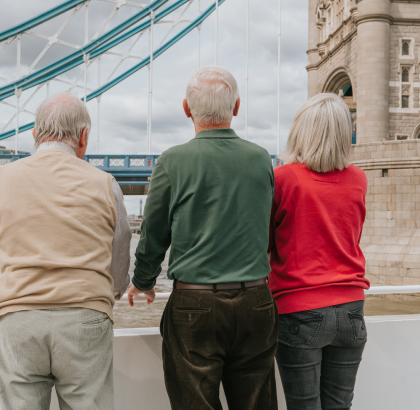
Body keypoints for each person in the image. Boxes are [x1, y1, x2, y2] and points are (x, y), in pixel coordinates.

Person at [128, 66, 278, 410]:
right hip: (257, 298)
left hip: (194, 306)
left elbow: (153, 234)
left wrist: (144, 281)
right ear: (236, 107)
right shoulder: (261, 160)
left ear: (186, 108)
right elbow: (265, 227)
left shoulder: (171, 162)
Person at [0, 93, 132, 410]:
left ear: (34, 133)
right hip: (85, 317)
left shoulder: (3, 179)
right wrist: (109, 292)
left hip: (17, 318)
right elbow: (120, 252)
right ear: (83, 137)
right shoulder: (106, 183)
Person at [268, 93, 370, 410]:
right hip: (352, 309)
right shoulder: (359, 179)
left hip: (298, 308)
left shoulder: (282, 179)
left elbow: (265, 243)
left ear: (300, 130)